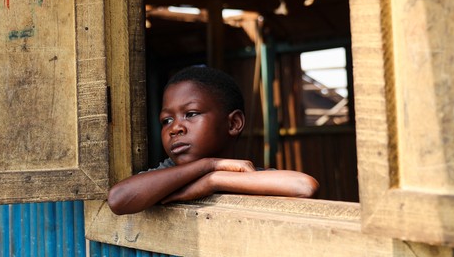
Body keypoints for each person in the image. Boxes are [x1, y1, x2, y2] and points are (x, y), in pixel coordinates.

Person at [107, 66, 319, 215]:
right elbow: (118, 199)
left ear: (234, 123)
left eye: (190, 114)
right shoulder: (163, 178)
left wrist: (213, 180)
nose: (175, 128)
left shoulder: (251, 177)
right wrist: (209, 165)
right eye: (166, 120)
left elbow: (304, 186)